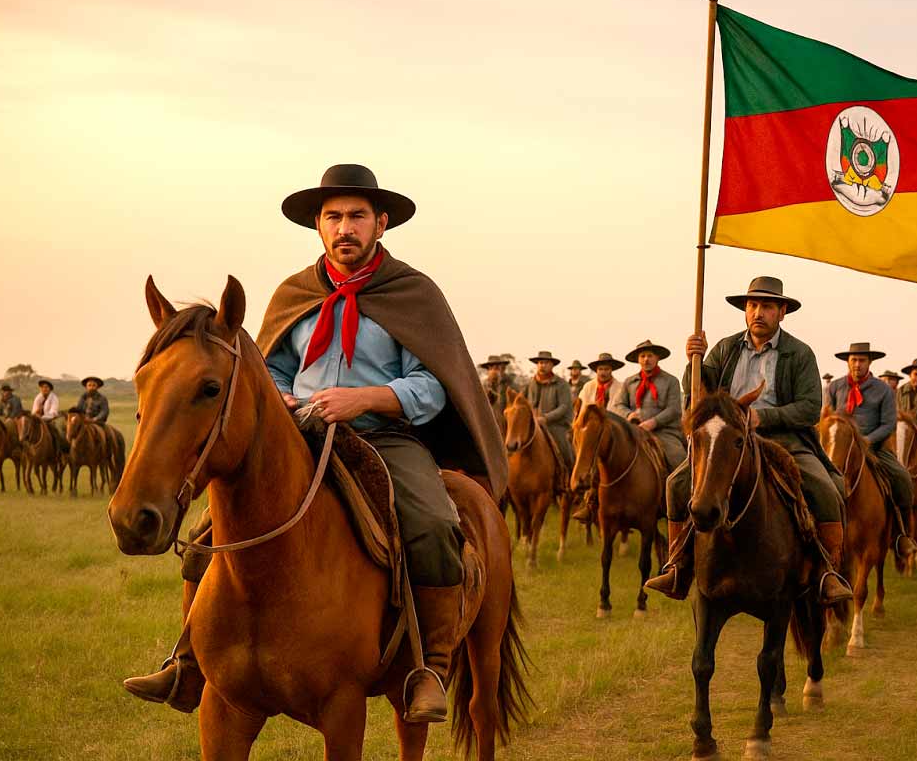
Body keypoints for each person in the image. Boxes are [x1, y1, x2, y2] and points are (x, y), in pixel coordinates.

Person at [124, 163, 506, 724]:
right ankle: (187, 660)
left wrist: (365, 398)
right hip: (299, 433)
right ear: (319, 226)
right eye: (333, 217)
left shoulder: (413, 294)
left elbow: (431, 385)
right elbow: (268, 369)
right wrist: (281, 398)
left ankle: (431, 665)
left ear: (380, 224)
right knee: (211, 531)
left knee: (430, 523)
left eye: (356, 216)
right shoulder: (295, 293)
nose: (344, 227)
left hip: (384, 436)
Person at [645, 276, 852, 605]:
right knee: (676, 483)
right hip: (728, 440)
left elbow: (810, 407)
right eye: (753, 305)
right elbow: (699, 394)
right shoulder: (725, 348)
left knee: (826, 489)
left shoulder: (799, 354)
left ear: (781, 312)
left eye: (767, 306)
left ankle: (827, 572)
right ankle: (678, 566)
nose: (758, 312)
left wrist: (763, 417)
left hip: (784, 440)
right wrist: (693, 360)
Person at [825, 343, 917, 558]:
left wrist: (866, 441)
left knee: (902, 478)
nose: (857, 364)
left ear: (870, 363)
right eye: (854, 360)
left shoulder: (883, 390)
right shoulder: (835, 387)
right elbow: (827, 417)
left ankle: (903, 535)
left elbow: (888, 424)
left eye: (862, 360)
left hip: (873, 447)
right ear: (848, 362)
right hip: (840, 447)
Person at [608, 339, 686, 469]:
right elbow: (618, 405)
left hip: (664, 432)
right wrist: (629, 415)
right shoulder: (629, 382)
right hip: (633, 431)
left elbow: (674, 409)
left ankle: (683, 482)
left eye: (650, 355)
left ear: (657, 358)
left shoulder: (671, 381)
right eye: (642, 356)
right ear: (638, 360)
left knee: (678, 459)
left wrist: (654, 422)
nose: (646, 359)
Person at [571, 352, 627, 523]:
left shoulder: (620, 387)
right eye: (601, 369)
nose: (603, 372)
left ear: (612, 370)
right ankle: (585, 499)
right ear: (596, 370)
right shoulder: (588, 387)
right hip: (591, 432)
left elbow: (620, 411)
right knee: (579, 454)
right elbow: (581, 410)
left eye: (606, 369)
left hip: (612, 432)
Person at [523, 350, 574, 468]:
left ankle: (569, 473)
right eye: (540, 363)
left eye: (546, 363)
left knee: (564, 449)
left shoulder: (561, 384)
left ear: (552, 365)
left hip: (555, 425)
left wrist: (546, 418)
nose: (542, 365)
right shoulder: (530, 383)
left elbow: (564, 407)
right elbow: (522, 402)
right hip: (533, 424)